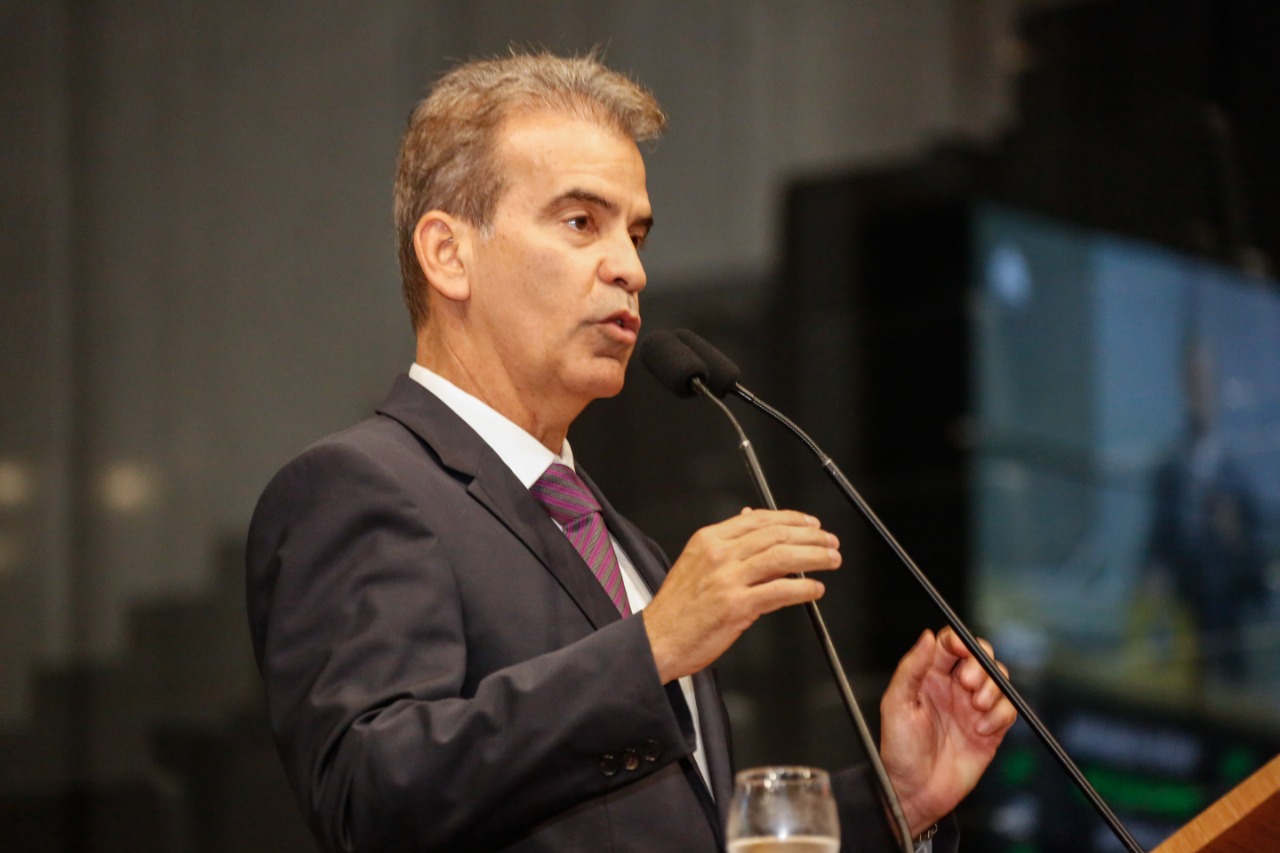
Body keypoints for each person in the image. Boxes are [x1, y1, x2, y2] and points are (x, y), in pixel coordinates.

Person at [245, 51, 1016, 852]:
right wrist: (649, 649)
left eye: (637, 233)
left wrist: (897, 802)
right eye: (582, 222)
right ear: (448, 253)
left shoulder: (626, 546)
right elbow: (368, 796)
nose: (631, 269)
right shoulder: (358, 486)